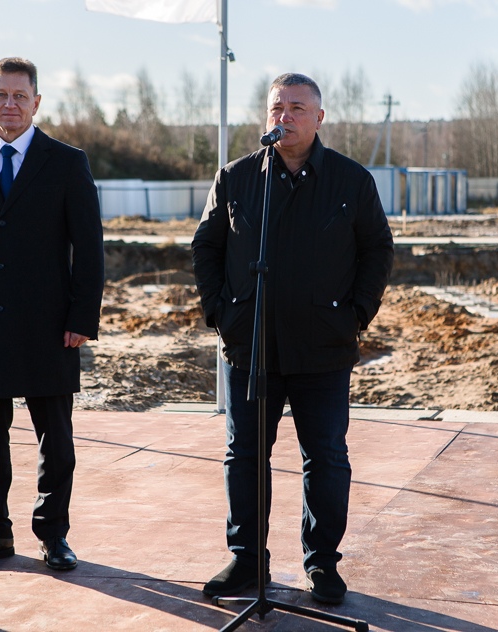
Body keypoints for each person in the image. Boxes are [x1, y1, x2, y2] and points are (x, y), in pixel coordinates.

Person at [192, 73, 394, 605]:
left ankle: (321, 562)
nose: (284, 117)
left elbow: (377, 249)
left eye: (297, 108)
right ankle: (245, 559)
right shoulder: (237, 178)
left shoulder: (351, 180)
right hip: (250, 346)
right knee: (244, 455)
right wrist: (221, 313)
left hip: (323, 347)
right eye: (277, 107)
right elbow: (206, 246)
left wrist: (355, 314)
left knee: (325, 456)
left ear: (319, 117)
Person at [0, 57, 104, 572]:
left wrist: (82, 318)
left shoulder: (67, 162)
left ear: (36, 102)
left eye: (20, 95)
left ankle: (54, 535)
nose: (10, 104)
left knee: (57, 441)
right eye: (1, 95)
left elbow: (89, 249)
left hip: (50, 326)